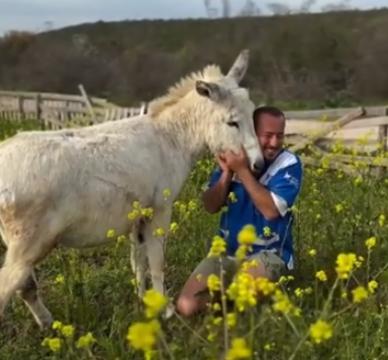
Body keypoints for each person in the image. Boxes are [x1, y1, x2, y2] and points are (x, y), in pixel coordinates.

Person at [176, 106, 303, 317]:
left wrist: (242, 171)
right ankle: (222, 304)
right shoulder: (234, 158)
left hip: (269, 255)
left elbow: (270, 211)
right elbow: (210, 206)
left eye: (279, 136)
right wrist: (227, 173)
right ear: (251, 134)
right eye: (268, 136)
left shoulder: (288, 163)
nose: (274, 143)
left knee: (241, 296)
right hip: (225, 254)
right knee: (186, 306)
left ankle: (228, 306)